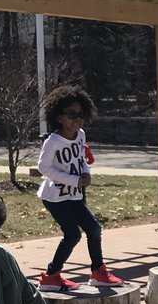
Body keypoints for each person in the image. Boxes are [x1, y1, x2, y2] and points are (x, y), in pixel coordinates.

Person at [36, 86, 123, 289]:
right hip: (55, 196)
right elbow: (43, 168)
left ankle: (98, 272)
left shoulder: (80, 135)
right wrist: (72, 180)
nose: (77, 119)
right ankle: (51, 275)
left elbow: (82, 158)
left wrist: (86, 173)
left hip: (74, 194)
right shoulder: (53, 142)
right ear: (59, 117)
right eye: (71, 114)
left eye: (81, 114)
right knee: (72, 234)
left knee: (93, 228)